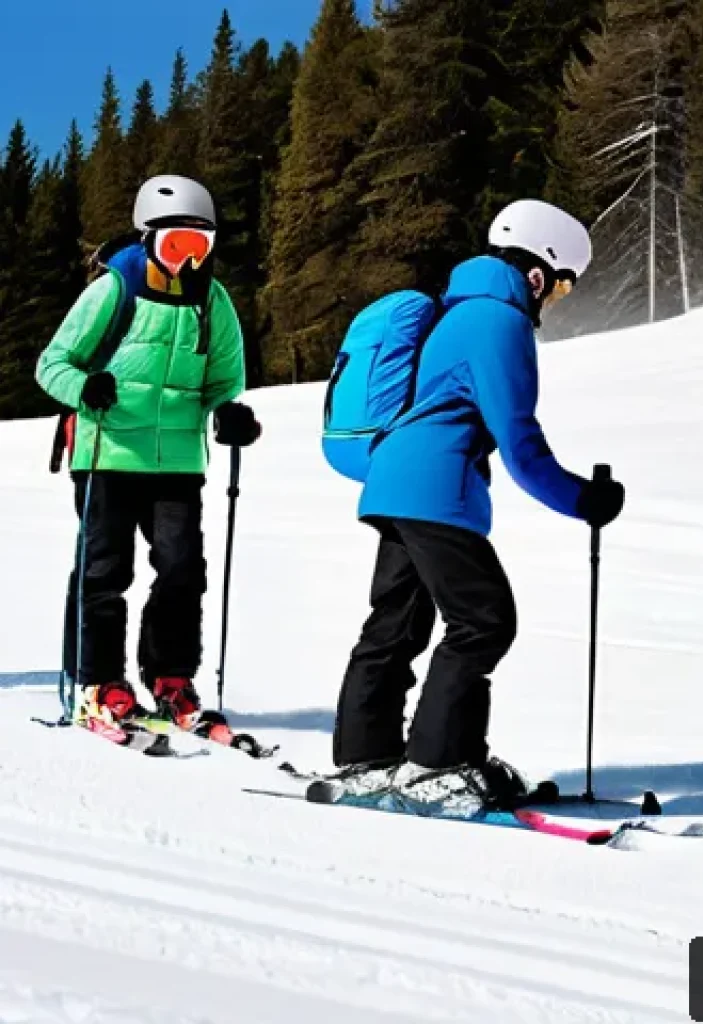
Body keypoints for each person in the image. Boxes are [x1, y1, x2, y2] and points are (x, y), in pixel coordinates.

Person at [331, 199, 625, 810]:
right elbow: (519, 442)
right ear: (538, 274)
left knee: (397, 623)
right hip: (436, 490)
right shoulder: (499, 321)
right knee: (483, 621)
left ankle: (368, 756)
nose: (554, 304)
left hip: (390, 483)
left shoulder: (454, 312)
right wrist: (584, 500)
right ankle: (439, 764)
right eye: (563, 289)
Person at [37, 175, 261, 731]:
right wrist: (84, 388)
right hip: (107, 453)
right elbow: (52, 364)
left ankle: (171, 678)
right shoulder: (112, 291)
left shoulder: (213, 301)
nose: (187, 261)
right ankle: (98, 681)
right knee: (105, 571)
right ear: (147, 238)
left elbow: (222, 381)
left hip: (178, 464)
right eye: (175, 245)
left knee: (182, 572)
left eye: (199, 247)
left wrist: (228, 414)